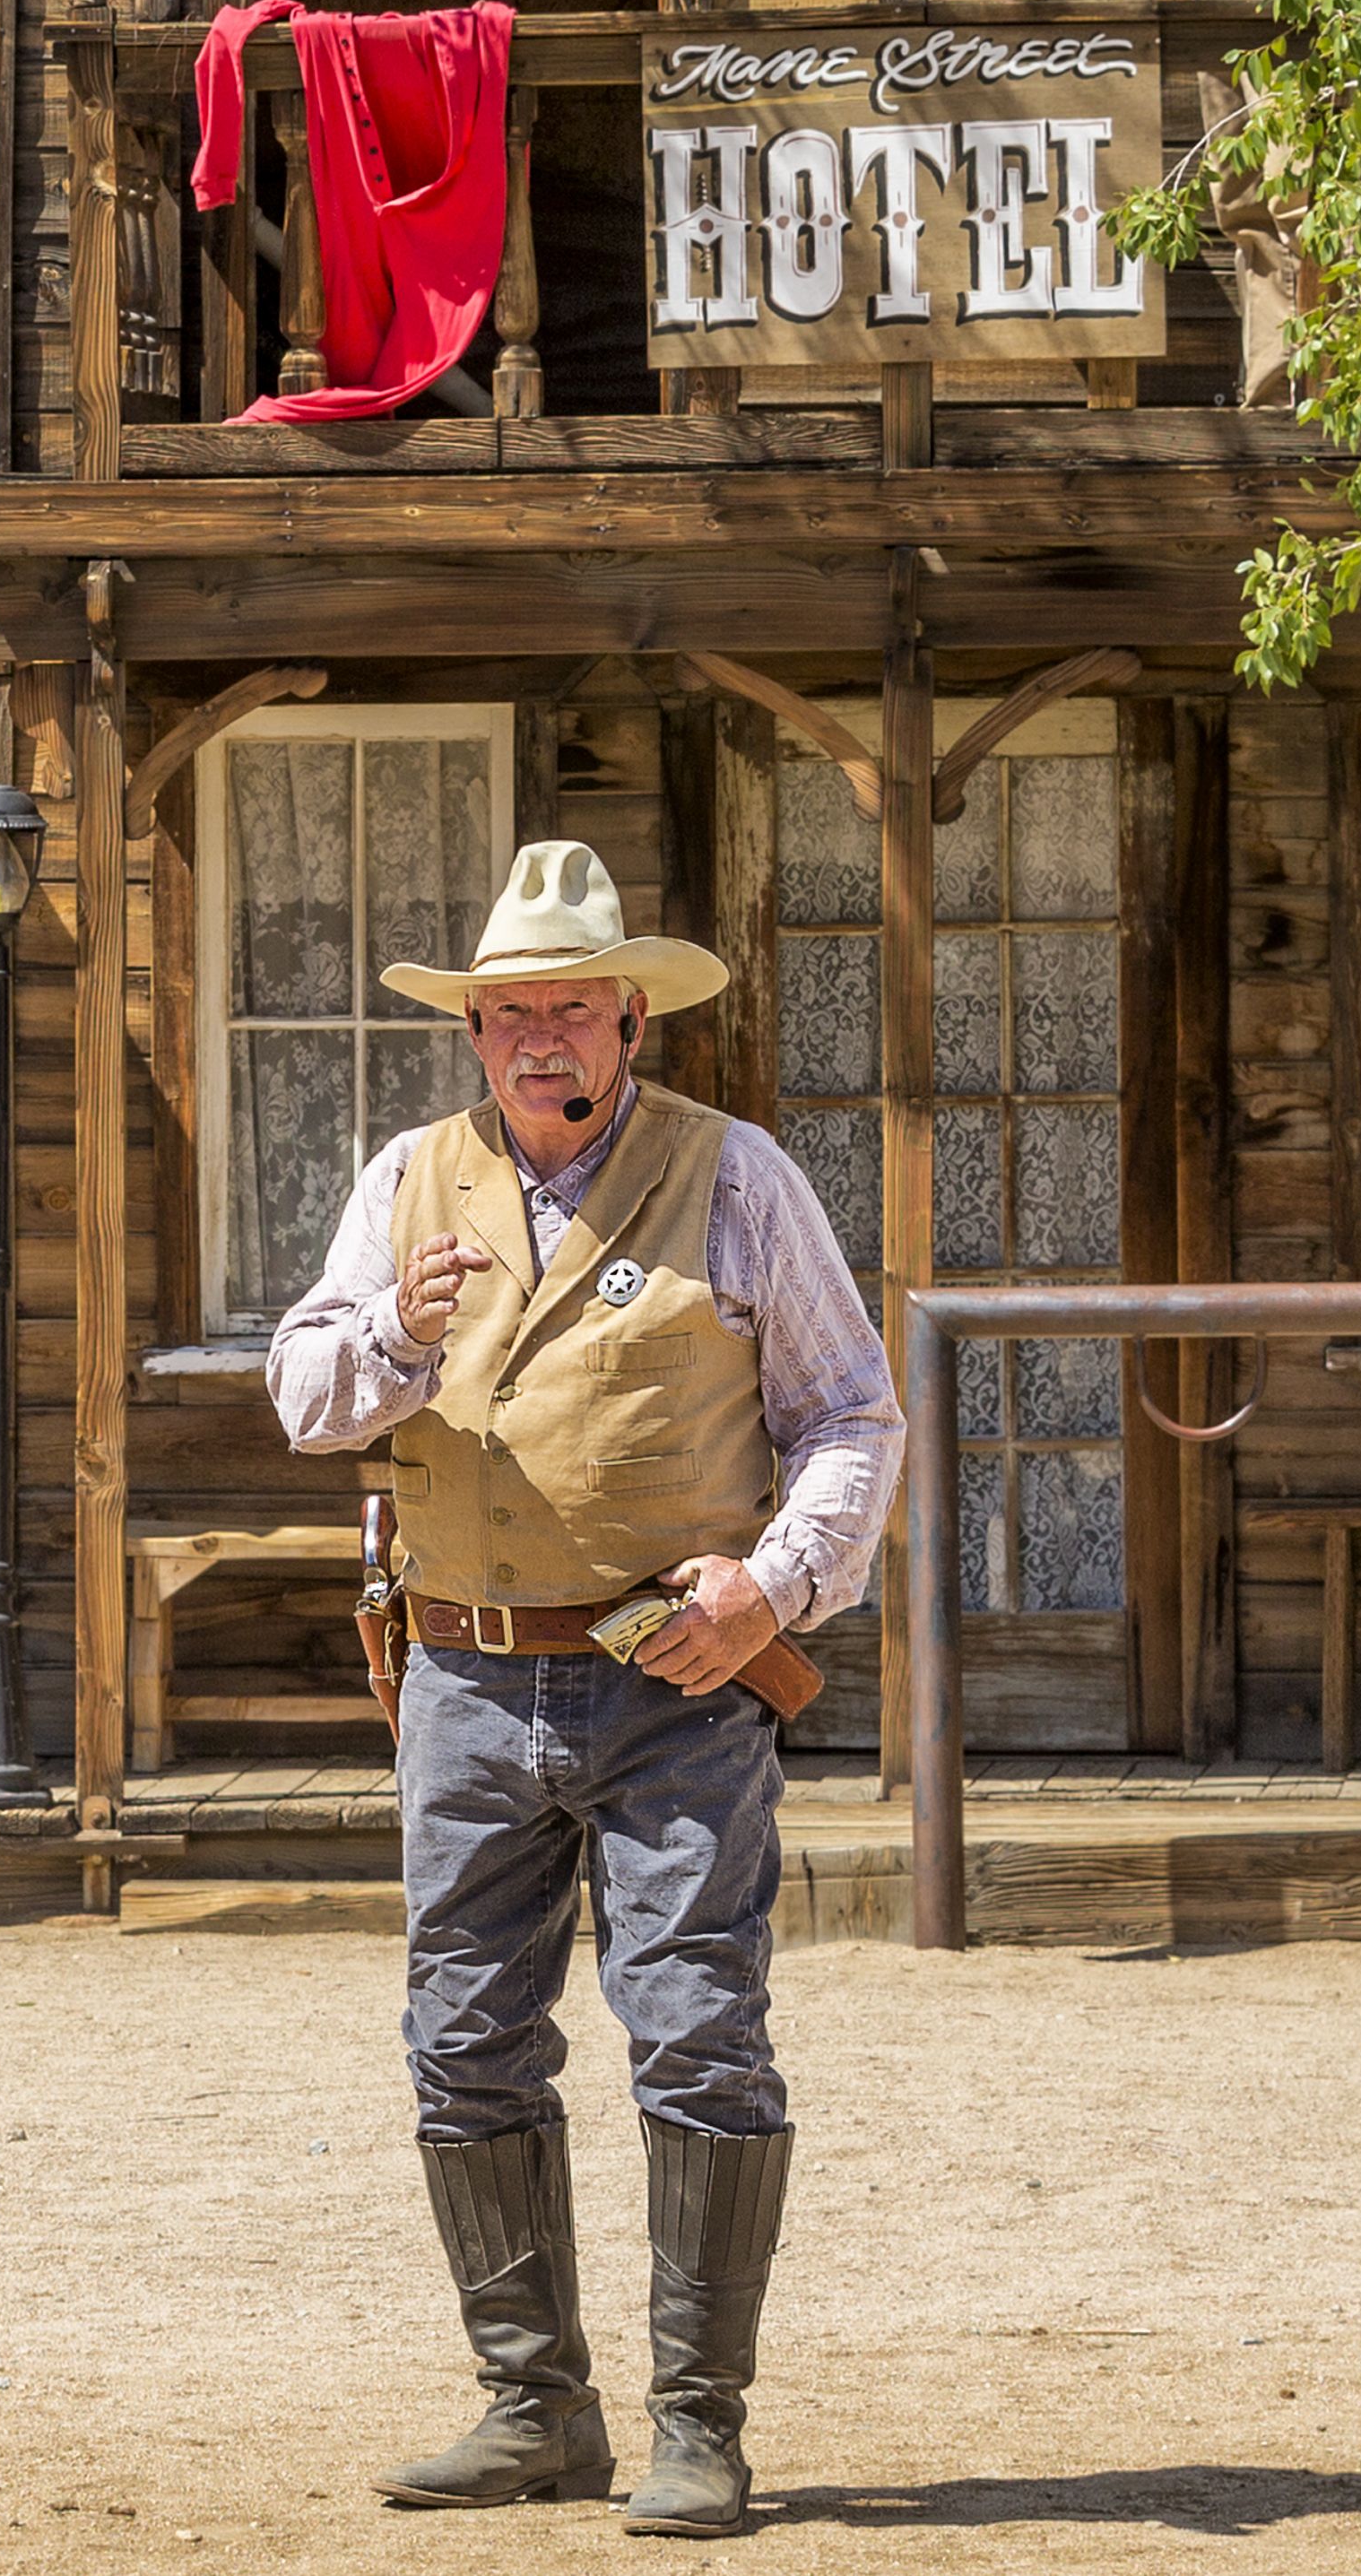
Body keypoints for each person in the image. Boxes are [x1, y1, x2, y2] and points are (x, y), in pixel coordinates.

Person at [270, 840, 904, 2539]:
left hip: (673, 1680)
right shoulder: (406, 1176)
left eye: (567, 1006)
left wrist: (769, 1581)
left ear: (629, 1013)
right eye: (505, 1013)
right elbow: (301, 1392)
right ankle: (532, 2406)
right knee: (463, 2040)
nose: (536, 1039)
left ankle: (700, 2425)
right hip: (464, 1676)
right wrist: (395, 1337)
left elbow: (853, 1413)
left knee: (698, 2040)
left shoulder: (738, 1174)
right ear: (473, 1031)